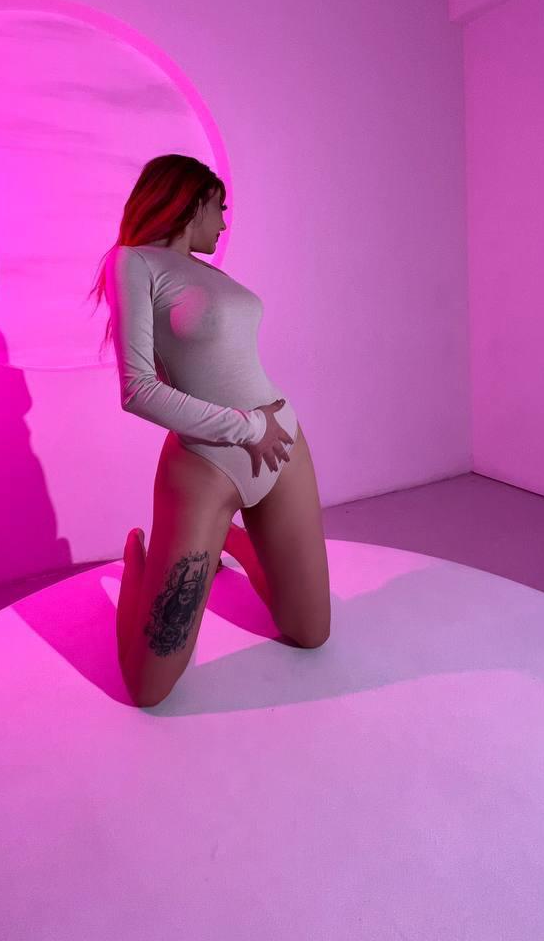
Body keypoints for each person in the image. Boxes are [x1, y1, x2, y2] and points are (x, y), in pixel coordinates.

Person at [89, 155, 330, 707]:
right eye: (220, 208)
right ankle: (138, 562)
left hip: (283, 443)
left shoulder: (213, 273)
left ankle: (234, 542)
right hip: (207, 463)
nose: (223, 223)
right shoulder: (132, 262)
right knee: (150, 688)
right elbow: (136, 389)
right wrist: (246, 427)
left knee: (311, 632)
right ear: (191, 200)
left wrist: (263, 428)